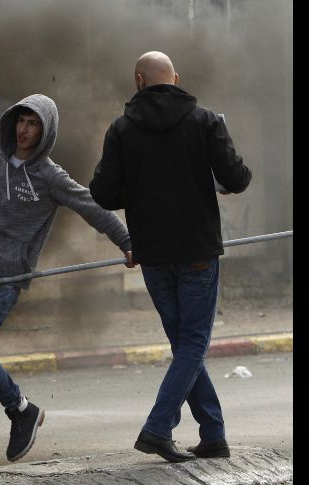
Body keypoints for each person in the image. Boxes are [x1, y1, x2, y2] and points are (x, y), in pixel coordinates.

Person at [0, 94, 133, 472]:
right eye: (20, 120)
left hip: (8, 278)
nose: (23, 128)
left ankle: (22, 410)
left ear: (45, 130)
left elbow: (92, 207)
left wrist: (128, 243)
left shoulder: (51, 176)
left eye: (33, 123)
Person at [89, 51, 252, 463]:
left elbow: (103, 193)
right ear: (175, 79)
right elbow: (237, 178)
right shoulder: (206, 121)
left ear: (139, 80)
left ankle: (213, 435)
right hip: (197, 249)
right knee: (193, 343)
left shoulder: (121, 129)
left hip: (154, 255)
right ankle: (159, 428)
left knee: (184, 344)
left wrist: (142, 191)